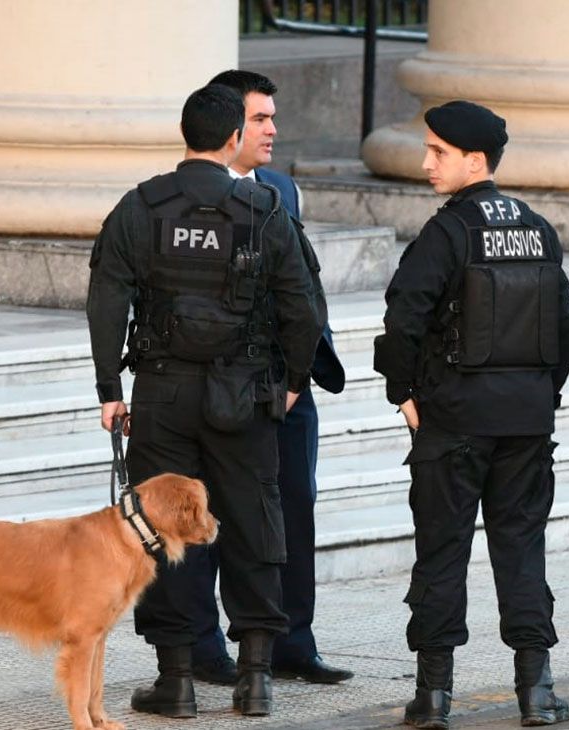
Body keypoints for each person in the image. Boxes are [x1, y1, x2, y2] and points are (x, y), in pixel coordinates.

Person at [86, 83, 326, 719]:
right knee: (253, 524)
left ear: (186, 135)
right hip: (244, 395)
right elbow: (302, 305)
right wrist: (294, 380)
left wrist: (110, 389)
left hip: (162, 393)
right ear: (230, 138)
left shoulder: (141, 206)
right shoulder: (264, 208)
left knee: (165, 532)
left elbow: (107, 298)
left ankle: (179, 680)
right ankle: (254, 679)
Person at [373, 100, 569, 728]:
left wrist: (403, 392)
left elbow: (403, 318)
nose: (425, 162)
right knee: (522, 551)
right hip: (525, 424)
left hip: (455, 422)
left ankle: (434, 699)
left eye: (438, 152)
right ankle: (537, 694)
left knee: (442, 553)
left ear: (475, 160)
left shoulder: (449, 231)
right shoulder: (537, 228)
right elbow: (566, 330)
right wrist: (543, 396)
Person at [172, 68, 353, 688]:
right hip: (216, 388)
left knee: (291, 511)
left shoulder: (282, 189)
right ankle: (201, 647)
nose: (273, 129)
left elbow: (300, 285)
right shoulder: (179, 198)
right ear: (227, 127)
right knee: (207, 517)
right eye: (261, 119)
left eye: (274, 117)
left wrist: (300, 372)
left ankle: (289, 642)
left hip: (285, 385)